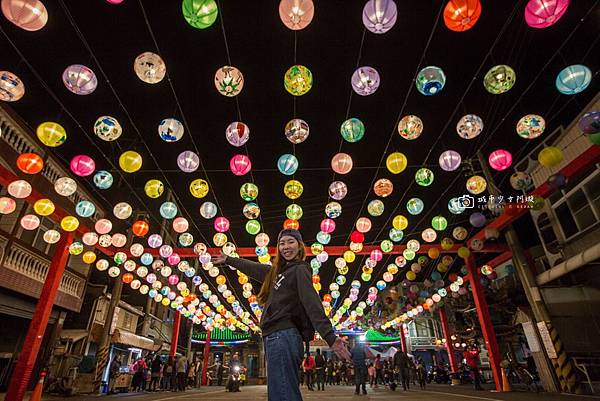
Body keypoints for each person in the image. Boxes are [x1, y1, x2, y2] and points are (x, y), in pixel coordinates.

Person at [212, 229, 351, 401]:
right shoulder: (279, 272)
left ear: (300, 246)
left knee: (283, 393)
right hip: (277, 336)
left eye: (291, 242)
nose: (286, 247)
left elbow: (312, 302)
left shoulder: (299, 269)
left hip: (283, 335)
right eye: (282, 243)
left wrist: (330, 337)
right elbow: (254, 268)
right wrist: (229, 260)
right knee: (281, 393)